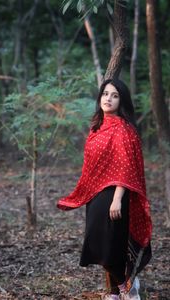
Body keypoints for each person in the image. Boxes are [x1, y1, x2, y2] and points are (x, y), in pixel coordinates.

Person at [57, 78, 152, 300]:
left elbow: (126, 167)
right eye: (105, 93)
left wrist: (118, 198)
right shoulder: (97, 127)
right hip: (95, 192)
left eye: (114, 95)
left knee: (109, 245)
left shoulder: (124, 129)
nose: (108, 98)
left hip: (115, 194)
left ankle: (126, 288)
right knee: (99, 242)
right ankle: (116, 291)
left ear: (122, 101)